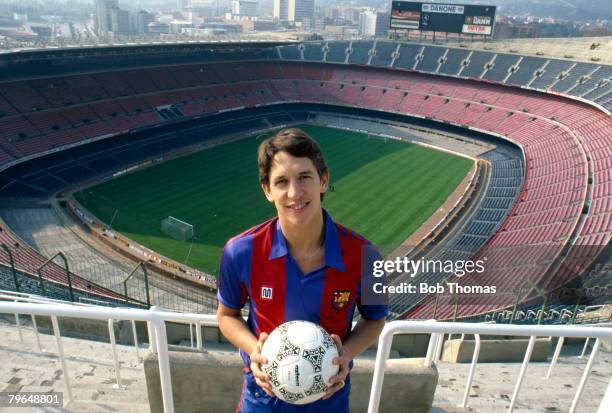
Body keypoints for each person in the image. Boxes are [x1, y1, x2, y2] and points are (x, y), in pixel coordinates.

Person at [216, 128, 387, 412]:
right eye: (281, 181)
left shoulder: (367, 256)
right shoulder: (240, 251)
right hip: (262, 401)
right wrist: (253, 349)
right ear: (267, 190)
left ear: (323, 180)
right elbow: (226, 316)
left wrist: (345, 353)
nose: (294, 193)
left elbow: (375, 319)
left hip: (329, 399)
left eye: (304, 177)